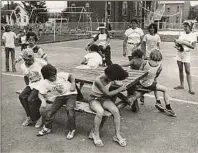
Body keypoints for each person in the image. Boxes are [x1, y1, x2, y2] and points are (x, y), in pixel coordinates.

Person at [88, 64, 128, 147]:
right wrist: (120, 89)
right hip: (94, 99)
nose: (113, 80)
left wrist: (119, 84)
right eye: (113, 78)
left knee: (116, 111)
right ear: (110, 76)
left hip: (103, 99)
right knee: (100, 112)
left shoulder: (110, 76)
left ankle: (117, 135)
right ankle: (95, 134)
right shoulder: (98, 80)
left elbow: (115, 82)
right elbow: (108, 93)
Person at [36, 64, 77, 140]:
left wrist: (73, 84)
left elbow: (72, 75)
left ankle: (72, 129)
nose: (54, 77)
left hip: (71, 94)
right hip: (60, 96)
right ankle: (47, 128)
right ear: (46, 77)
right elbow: (40, 93)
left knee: (70, 109)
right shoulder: (45, 83)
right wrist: (43, 101)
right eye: (51, 77)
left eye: (54, 75)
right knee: (50, 111)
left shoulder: (60, 75)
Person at [136, 50, 176, 117]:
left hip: (141, 82)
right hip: (148, 84)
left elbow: (139, 73)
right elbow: (156, 76)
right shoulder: (160, 66)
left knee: (156, 83)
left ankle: (158, 102)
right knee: (165, 89)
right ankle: (168, 107)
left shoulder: (145, 62)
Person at [18, 48, 47, 127]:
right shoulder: (23, 66)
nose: (30, 61)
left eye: (31, 59)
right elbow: (26, 77)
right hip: (32, 84)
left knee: (31, 99)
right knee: (22, 96)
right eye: (28, 60)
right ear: (24, 59)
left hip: (41, 84)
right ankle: (29, 117)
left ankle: (39, 118)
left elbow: (49, 67)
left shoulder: (39, 61)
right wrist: (28, 87)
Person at [174, 21, 197, 95]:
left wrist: (183, 43)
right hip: (180, 54)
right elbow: (178, 45)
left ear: (190, 27)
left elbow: (193, 46)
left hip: (187, 54)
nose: (184, 28)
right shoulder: (182, 35)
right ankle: (181, 85)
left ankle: (190, 89)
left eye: (186, 26)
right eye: (184, 26)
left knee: (188, 71)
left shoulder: (193, 35)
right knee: (180, 70)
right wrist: (177, 45)